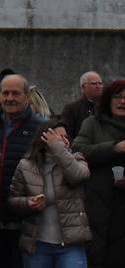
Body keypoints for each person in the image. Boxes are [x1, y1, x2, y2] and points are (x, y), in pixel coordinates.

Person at [7, 123, 90, 267]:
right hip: (37, 244)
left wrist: (58, 149)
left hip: (70, 245)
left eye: (66, 137)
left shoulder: (77, 159)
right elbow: (13, 201)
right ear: (44, 140)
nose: (64, 141)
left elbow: (78, 176)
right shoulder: (26, 165)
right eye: (59, 137)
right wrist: (28, 203)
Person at [0, 74, 49, 267]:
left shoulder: (41, 128)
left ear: (26, 96)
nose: (10, 98)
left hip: (26, 223)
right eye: (5, 93)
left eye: (15, 93)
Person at [71, 77, 125, 268]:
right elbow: (78, 149)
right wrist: (113, 148)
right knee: (96, 255)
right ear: (108, 99)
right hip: (96, 203)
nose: (122, 102)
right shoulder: (93, 123)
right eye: (117, 97)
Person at [60, 71, 103, 141]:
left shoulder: (108, 106)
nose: (98, 87)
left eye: (100, 83)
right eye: (94, 84)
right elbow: (68, 133)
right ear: (83, 87)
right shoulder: (72, 108)